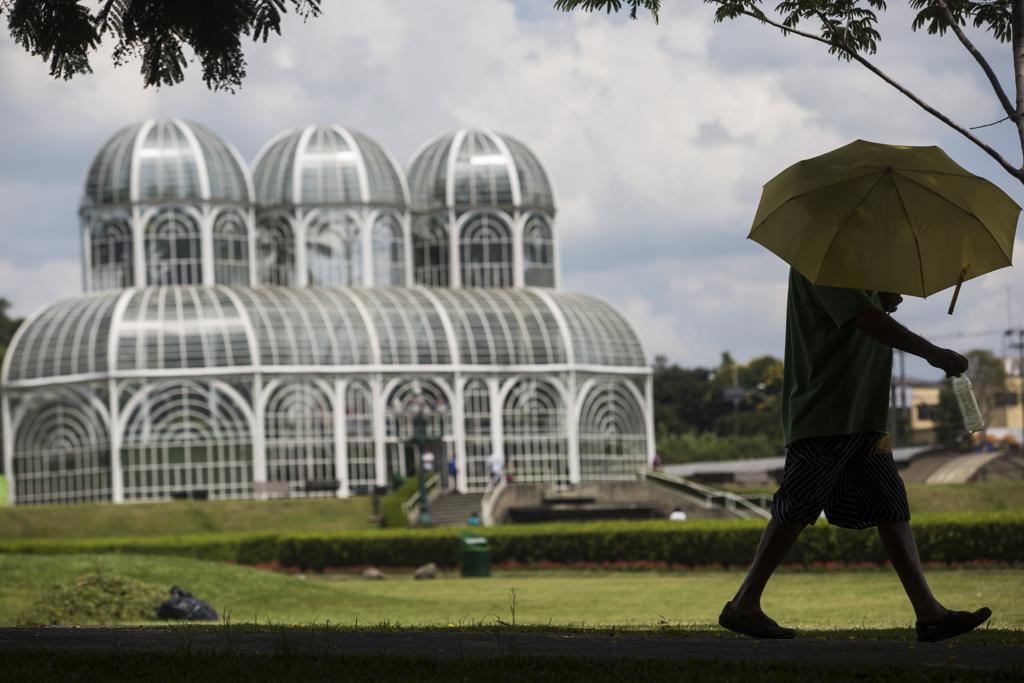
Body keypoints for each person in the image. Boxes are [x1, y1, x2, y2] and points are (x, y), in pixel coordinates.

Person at [719, 269, 991, 643]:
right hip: (827, 412)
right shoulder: (825, 263)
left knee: (890, 508)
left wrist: (882, 295)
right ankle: (743, 605)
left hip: (863, 415)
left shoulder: (857, 263)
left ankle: (929, 613)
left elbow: (866, 312)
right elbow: (864, 319)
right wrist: (933, 353)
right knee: (796, 508)